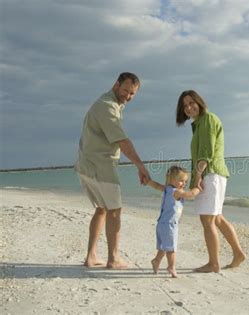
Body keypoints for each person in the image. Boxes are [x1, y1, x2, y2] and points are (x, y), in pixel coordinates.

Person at [74, 72, 150, 269]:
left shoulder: (110, 103)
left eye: (132, 93)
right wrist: (140, 166)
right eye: (125, 90)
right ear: (116, 84)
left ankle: (91, 257)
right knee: (114, 211)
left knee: (102, 209)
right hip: (100, 166)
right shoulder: (107, 106)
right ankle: (113, 259)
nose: (128, 96)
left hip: (87, 165)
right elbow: (122, 141)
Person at [176, 90, 246, 273]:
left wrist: (198, 177)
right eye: (185, 106)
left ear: (199, 102)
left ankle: (213, 263)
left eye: (192, 103)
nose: (189, 108)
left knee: (207, 220)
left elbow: (206, 152)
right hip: (213, 174)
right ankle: (238, 253)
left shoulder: (207, 119)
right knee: (217, 218)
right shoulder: (199, 124)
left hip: (210, 174)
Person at [147, 165, 201, 278]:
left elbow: (157, 186)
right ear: (171, 179)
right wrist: (197, 188)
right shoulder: (176, 192)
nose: (184, 184)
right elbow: (189, 195)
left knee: (164, 246)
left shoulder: (167, 189)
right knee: (171, 247)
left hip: (162, 223)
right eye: (181, 181)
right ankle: (171, 266)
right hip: (169, 224)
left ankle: (156, 261)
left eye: (185, 181)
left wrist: (148, 181)